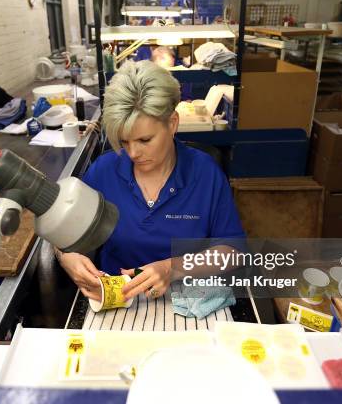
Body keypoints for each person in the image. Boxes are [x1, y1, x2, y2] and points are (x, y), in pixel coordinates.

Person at [55, 60, 245, 302]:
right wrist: (67, 258)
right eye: (124, 141)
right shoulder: (104, 172)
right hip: (119, 303)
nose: (133, 153)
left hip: (188, 301)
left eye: (145, 140)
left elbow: (233, 252)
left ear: (172, 123)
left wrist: (173, 268)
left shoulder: (205, 174)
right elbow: (62, 233)